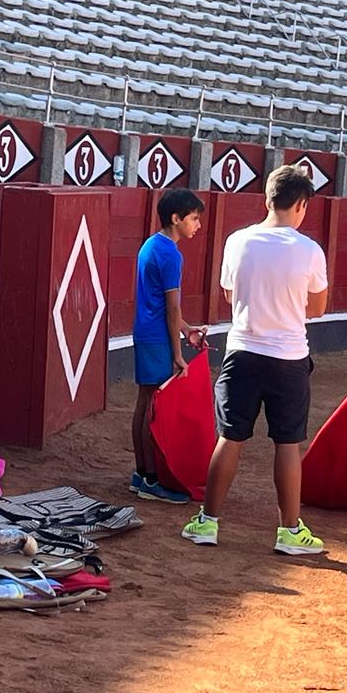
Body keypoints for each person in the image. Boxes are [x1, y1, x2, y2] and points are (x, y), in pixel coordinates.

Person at [181, 164, 328, 555]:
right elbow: (317, 308)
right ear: (301, 205)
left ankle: (207, 523)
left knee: (230, 437)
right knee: (288, 442)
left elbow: (229, 294)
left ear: (267, 200)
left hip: (243, 351)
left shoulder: (237, 241)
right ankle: (289, 531)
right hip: (290, 357)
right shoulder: (309, 250)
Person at [129, 189, 207, 504]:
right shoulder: (171, 254)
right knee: (152, 409)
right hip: (158, 338)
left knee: (144, 402)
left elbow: (163, 307)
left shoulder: (151, 245)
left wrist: (186, 330)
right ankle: (150, 479)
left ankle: (141, 473)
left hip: (147, 332)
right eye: (194, 218)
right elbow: (171, 308)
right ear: (176, 219)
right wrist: (178, 353)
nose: (198, 225)